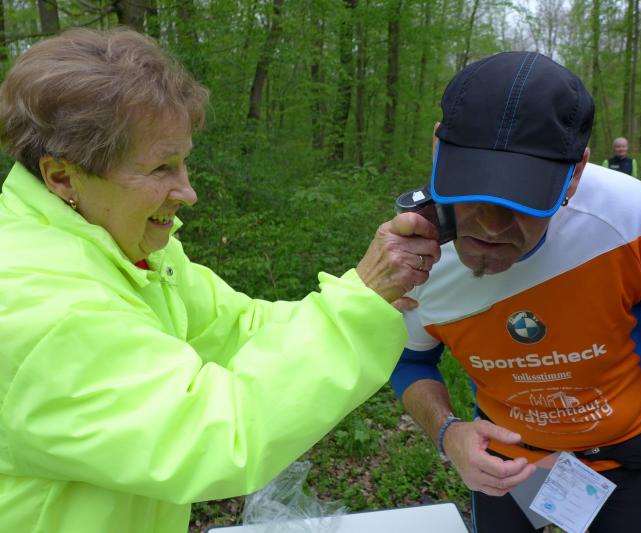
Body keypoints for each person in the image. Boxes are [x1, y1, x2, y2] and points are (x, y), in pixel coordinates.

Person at [0, 28, 441, 532]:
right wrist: (356, 309)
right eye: (161, 168)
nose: (187, 191)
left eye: (183, 161)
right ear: (62, 177)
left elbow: (238, 327)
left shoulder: (123, 247)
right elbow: (213, 434)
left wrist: (361, 295)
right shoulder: (41, 304)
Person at [390, 52, 641, 533]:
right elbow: (410, 361)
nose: (492, 227)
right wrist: (448, 433)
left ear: (576, 172)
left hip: (628, 457)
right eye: (473, 190)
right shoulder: (412, 256)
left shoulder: (632, 215)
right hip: (506, 464)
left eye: (524, 199)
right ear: (438, 148)